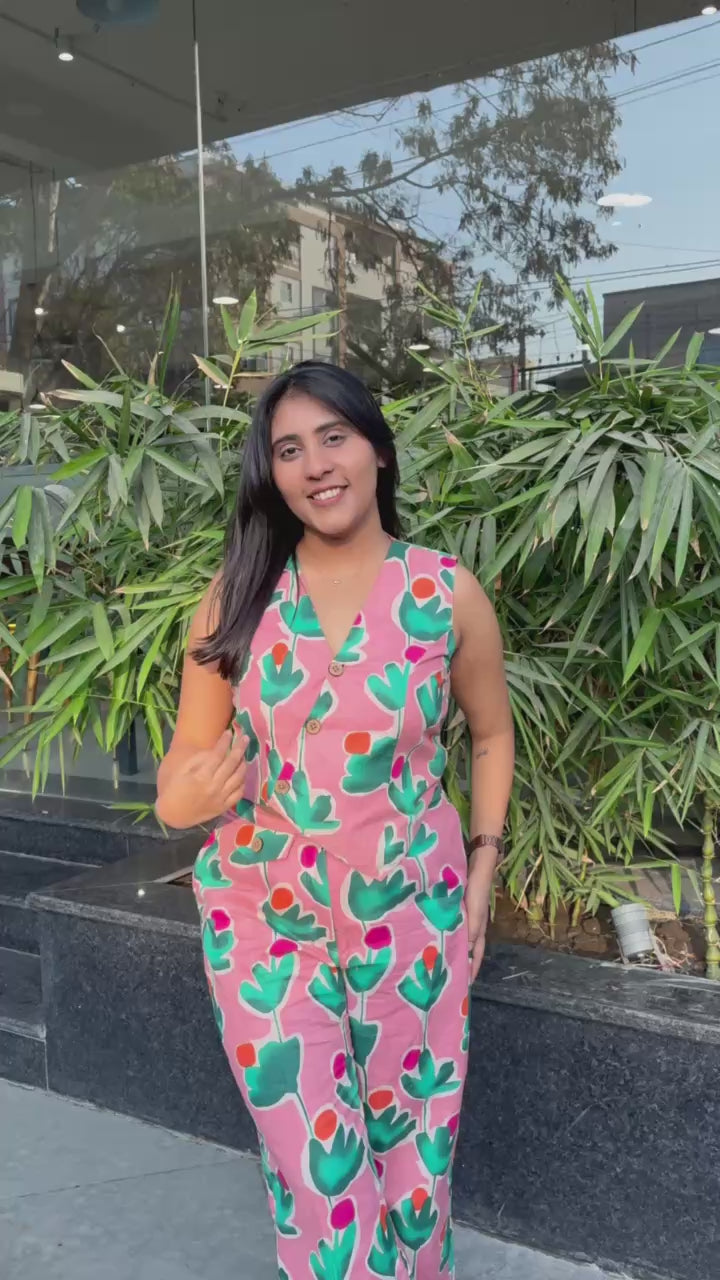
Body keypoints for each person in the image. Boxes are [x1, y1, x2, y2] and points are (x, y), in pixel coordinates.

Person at [155, 361, 514, 1279]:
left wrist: (481, 870)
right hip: (263, 917)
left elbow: (490, 733)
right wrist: (189, 798)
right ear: (271, 475)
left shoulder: (445, 593)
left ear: (378, 451)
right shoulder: (237, 595)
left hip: (412, 911)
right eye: (288, 449)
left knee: (413, 1160)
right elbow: (181, 775)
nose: (315, 463)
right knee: (317, 1173)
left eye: (334, 437)